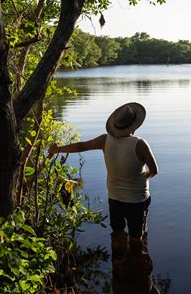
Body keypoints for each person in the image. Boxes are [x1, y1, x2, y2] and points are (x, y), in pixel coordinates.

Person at [48, 102, 158, 256]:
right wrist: (144, 175)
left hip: (115, 199)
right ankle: (136, 265)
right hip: (137, 200)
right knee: (136, 237)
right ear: (134, 126)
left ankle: (119, 262)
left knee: (118, 232)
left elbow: (81, 146)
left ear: (115, 125)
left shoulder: (104, 140)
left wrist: (58, 149)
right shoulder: (140, 144)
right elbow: (154, 170)